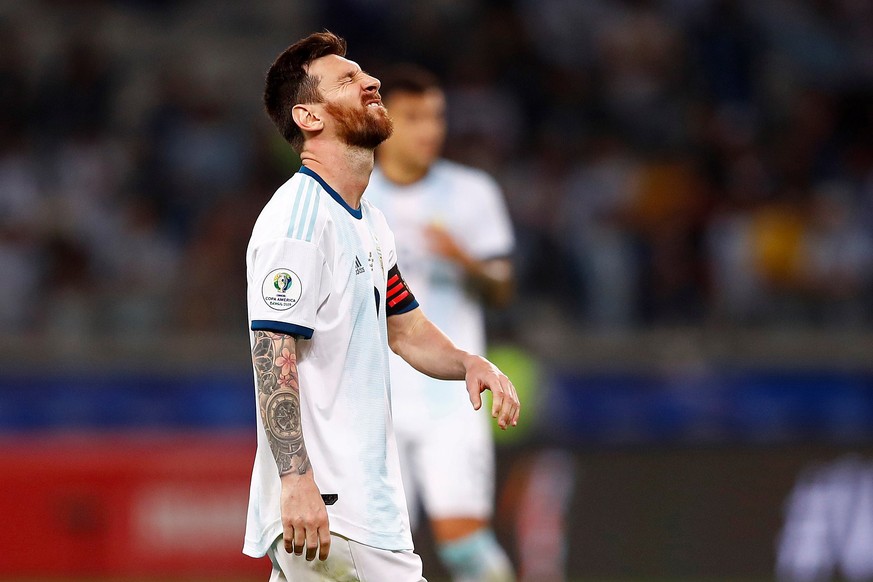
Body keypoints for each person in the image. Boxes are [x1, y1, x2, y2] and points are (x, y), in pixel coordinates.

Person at [243, 32, 520, 582]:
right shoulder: (299, 220)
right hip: (335, 505)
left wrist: (469, 362)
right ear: (309, 117)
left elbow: (408, 330)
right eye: (347, 80)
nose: (371, 83)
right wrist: (297, 481)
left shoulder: (366, 220)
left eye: (364, 74)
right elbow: (271, 346)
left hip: (351, 506)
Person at [364, 64, 517, 582]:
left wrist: (464, 261)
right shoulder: (353, 193)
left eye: (436, 116)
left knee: (467, 552)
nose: (430, 129)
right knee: (373, 557)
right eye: (413, 117)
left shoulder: (471, 193)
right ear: (382, 120)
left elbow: (502, 287)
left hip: (450, 400)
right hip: (372, 403)